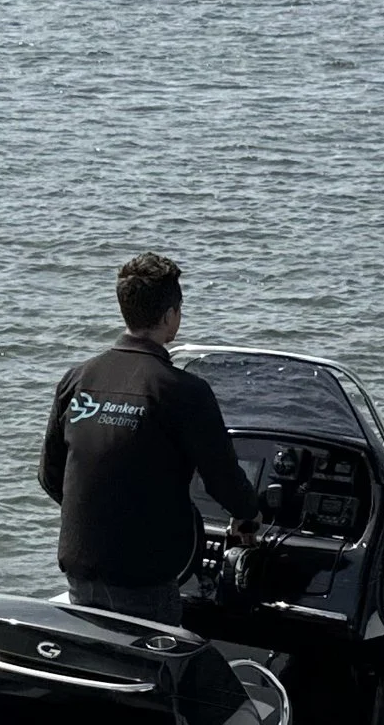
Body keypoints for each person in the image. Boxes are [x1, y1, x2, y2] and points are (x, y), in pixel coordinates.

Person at [38, 252, 260, 626]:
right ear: (170, 316)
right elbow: (224, 481)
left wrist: (104, 515)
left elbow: (50, 476)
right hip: (145, 579)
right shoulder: (184, 391)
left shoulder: (77, 379)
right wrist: (250, 515)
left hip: (80, 567)